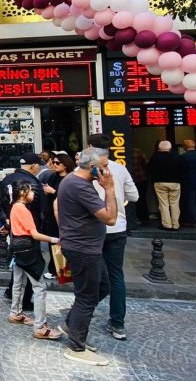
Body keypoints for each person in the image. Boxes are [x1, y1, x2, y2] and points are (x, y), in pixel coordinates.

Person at [57, 147, 117, 366]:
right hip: (83, 249)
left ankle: (71, 324)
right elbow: (110, 218)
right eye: (104, 166)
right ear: (92, 168)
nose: (107, 170)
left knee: (102, 287)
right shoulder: (79, 186)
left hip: (87, 247)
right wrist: (109, 189)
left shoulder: (76, 182)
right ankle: (76, 346)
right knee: (87, 296)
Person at [87, 134, 138, 342]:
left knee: (92, 276)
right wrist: (118, 199)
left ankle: (80, 317)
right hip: (117, 228)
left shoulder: (85, 171)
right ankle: (118, 323)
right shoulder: (120, 169)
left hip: (94, 229)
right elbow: (134, 196)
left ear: (90, 147)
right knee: (117, 276)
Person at [8, 182, 62, 341]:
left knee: (19, 282)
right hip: (28, 250)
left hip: (17, 249)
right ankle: (40, 326)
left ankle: (15, 312)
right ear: (24, 192)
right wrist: (56, 239)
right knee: (39, 286)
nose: (34, 194)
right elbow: (35, 234)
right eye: (31, 191)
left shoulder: (14, 207)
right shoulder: (23, 210)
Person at [0, 153, 45, 310]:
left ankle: (13, 293)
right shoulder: (31, 183)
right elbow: (40, 209)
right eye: (38, 165)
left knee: (17, 259)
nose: (39, 168)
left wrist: (7, 221)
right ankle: (25, 300)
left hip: (14, 228)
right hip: (29, 231)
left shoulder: (8, 179)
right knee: (31, 263)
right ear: (33, 166)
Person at [42, 153, 74, 279]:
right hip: (50, 214)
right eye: (53, 162)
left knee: (62, 241)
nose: (54, 165)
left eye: (57, 163)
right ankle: (57, 268)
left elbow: (69, 198)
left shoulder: (70, 179)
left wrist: (53, 192)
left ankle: (61, 270)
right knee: (53, 242)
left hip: (64, 215)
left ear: (65, 165)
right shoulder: (52, 177)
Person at [148, 141, 183, 231]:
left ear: (159, 148)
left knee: (163, 204)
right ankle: (175, 224)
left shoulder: (155, 157)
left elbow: (149, 168)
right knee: (175, 204)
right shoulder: (176, 157)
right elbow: (183, 169)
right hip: (175, 183)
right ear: (170, 148)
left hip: (159, 182)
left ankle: (167, 224)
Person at [131, 148, 150, 224]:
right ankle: (144, 216)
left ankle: (134, 217)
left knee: (131, 199)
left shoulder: (122, 152)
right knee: (142, 198)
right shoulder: (138, 151)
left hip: (131, 179)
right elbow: (146, 163)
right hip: (142, 178)